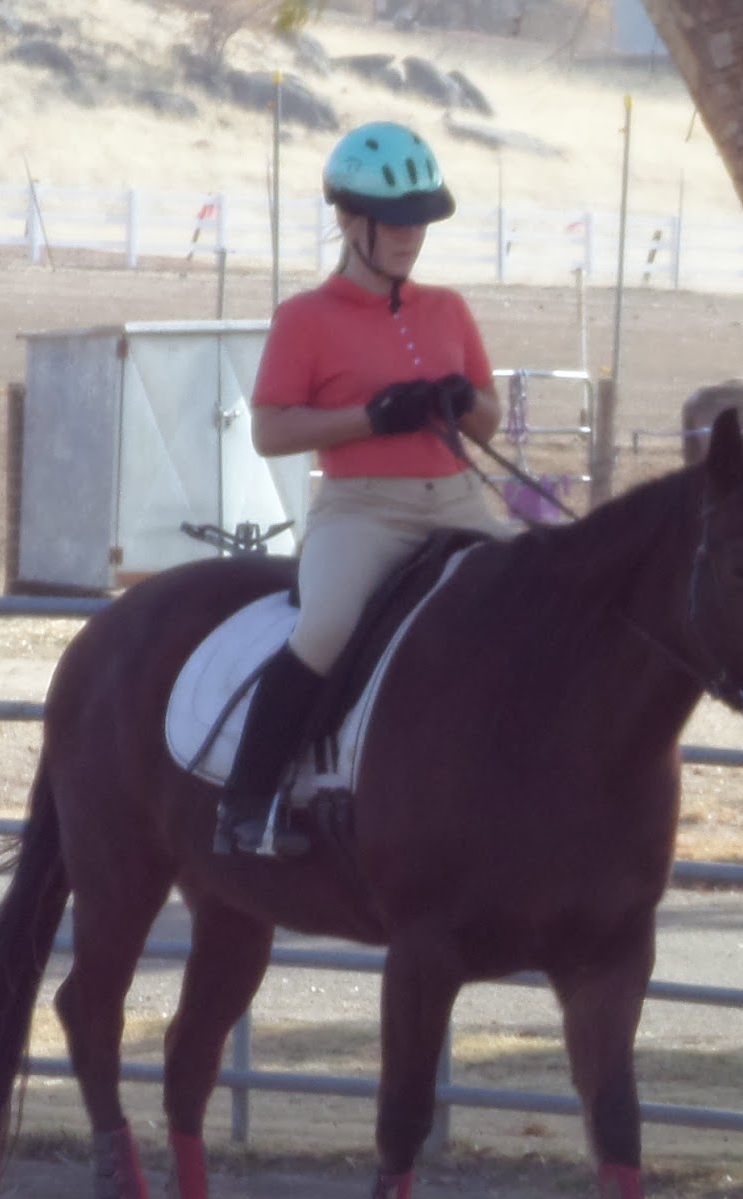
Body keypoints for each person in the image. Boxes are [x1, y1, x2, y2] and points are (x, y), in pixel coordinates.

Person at [215, 119, 506, 858]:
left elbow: (491, 422)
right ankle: (247, 803)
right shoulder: (304, 318)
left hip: (459, 500)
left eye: (420, 221)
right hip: (363, 512)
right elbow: (271, 432)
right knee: (326, 626)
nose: (411, 236)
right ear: (350, 220)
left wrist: (458, 402)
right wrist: (369, 417)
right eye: (395, 221)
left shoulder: (450, 310)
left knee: (554, 600)